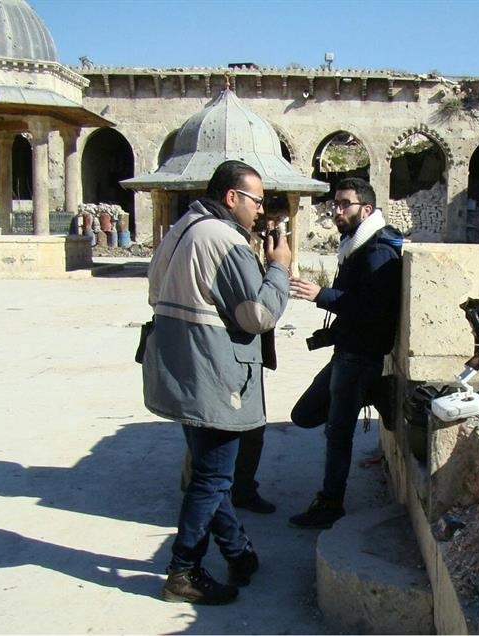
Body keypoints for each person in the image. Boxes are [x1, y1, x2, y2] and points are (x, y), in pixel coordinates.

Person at [142, 160, 291, 604]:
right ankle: (183, 570)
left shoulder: (184, 226)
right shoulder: (223, 239)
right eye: (256, 201)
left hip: (182, 369)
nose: (259, 211)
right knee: (211, 478)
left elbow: (154, 291)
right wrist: (278, 266)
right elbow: (258, 315)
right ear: (232, 198)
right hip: (215, 374)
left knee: (211, 474)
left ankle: (238, 551)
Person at [288, 177, 403, 529]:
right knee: (304, 414)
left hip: (361, 355)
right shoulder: (355, 245)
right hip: (347, 352)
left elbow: (373, 310)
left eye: (344, 204)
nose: (336, 210)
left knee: (338, 435)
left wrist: (321, 295)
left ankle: (330, 502)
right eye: (334, 203)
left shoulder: (377, 252)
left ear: (365, 210)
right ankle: (372, 390)